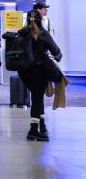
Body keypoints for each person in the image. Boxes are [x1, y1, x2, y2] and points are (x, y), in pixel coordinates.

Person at [17, 9, 62, 141]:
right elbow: (57, 53)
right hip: (38, 70)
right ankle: (33, 129)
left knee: (37, 97)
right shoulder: (43, 33)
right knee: (37, 99)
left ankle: (41, 126)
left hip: (23, 71)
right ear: (40, 20)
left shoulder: (22, 33)